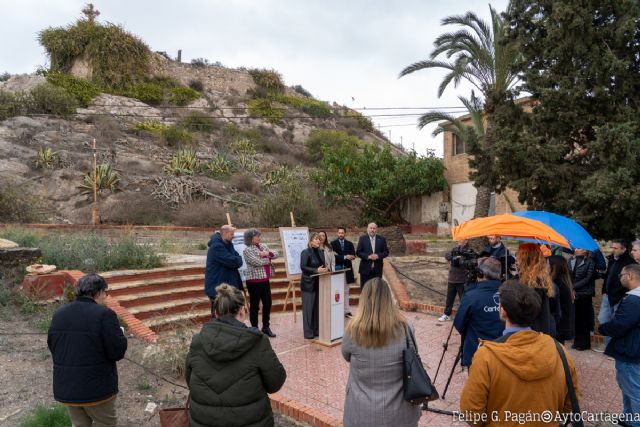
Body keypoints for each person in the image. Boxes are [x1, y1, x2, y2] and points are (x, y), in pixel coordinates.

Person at [460, 282, 579, 427]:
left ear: (503, 312)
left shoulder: (486, 356)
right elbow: (569, 405)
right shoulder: (559, 351)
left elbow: (471, 413)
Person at [186, 284, 286, 427]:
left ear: (216, 313)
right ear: (242, 311)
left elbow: (190, 381)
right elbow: (275, 383)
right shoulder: (257, 342)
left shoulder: (197, 341)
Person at [47, 274, 127, 427]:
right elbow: (117, 352)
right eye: (105, 292)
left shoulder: (59, 314)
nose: (105, 296)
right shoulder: (105, 314)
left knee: (79, 425)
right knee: (105, 423)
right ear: (97, 292)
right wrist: (121, 337)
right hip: (97, 389)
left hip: (68, 387)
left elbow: (53, 346)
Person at [342, 278, 421, 427]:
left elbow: (346, 355)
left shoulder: (352, 330)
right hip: (401, 414)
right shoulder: (405, 327)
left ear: (364, 299)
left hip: (361, 413)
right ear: (389, 299)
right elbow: (414, 354)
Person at [598, 264, 640, 427]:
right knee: (628, 387)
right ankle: (629, 419)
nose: (619, 278)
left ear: (630, 276)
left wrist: (602, 328)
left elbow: (619, 325)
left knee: (634, 389)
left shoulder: (633, 300)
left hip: (630, 350)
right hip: (632, 349)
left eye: (621, 275)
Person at [453, 258, 505, 368]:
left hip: (476, 353)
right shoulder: (510, 293)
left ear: (480, 273)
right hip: (504, 354)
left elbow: (459, 323)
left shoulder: (471, 296)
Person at [515, 243, 558, 336]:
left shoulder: (533, 283)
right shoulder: (540, 279)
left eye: (519, 257)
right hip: (542, 331)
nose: (516, 261)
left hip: (532, 333)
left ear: (526, 260)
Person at [243, 228, 278, 338]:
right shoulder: (247, 250)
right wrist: (268, 257)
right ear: (250, 238)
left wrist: (267, 253)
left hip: (265, 280)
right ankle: (255, 329)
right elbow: (257, 262)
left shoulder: (263, 246)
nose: (259, 237)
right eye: (256, 236)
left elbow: (276, 254)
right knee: (255, 306)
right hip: (254, 282)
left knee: (268, 303)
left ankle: (266, 328)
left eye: (259, 235)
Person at [599, 239, 635, 346]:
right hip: (607, 295)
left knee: (616, 322)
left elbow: (629, 282)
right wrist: (604, 290)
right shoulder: (612, 259)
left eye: (616, 248)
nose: (613, 250)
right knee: (603, 319)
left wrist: (621, 295)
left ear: (623, 249)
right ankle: (608, 345)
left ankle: (613, 345)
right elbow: (609, 275)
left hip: (619, 297)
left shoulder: (629, 263)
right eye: (612, 247)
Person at [204, 225, 243, 310]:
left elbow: (239, 259)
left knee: (230, 313)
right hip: (218, 287)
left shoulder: (228, 244)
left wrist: (237, 260)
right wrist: (237, 260)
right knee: (220, 314)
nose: (233, 236)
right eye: (232, 234)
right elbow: (233, 262)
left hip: (226, 285)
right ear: (225, 233)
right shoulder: (216, 247)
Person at [300, 232, 328, 339]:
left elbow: (322, 265)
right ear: (310, 241)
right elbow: (303, 267)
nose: (318, 241)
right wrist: (316, 270)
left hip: (319, 284)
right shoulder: (305, 252)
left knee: (317, 309)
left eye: (319, 239)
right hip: (308, 284)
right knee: (308, 309)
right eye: (316, 239)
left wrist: (325, 269)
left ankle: (316, 330)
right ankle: (308, 332)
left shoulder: (321, 252)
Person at [569, 248, 596, 350]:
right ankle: (576, 342)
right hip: (574, 292)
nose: (576, 249)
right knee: (576, 318)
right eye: (576, 248)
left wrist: (573, 287)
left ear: (585, 251)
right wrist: (570, 287)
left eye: (579, 248)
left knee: (584, 319)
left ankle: (584, 344)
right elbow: (568, 274)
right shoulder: (571, 260)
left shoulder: (590, 262)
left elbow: (587, 279)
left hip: (584, 294)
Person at [440, 239, 470, 322]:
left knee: (463, 299)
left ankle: (465, 317)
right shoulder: (455, 249)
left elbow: (462, 262)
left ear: (466, 241)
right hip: (452, 279)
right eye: (459, 240)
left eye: (461, 239)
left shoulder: (468, 251)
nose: (459, 241)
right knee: (449, 299)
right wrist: (453, 258)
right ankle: (446, 314)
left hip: (462, 280)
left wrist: (455, 259)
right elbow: (447, 255)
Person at [548, 255, 575, 344]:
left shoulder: (557, 284)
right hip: (562, 326)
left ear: (553, 267)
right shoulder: (564, 281)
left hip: (558, 327)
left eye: (547, 264)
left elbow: (554, 308)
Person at [331, 227, 357, 318]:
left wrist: (351, 256)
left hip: (348, 270)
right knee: (336, 291)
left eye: (342, 233)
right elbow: (333, 257)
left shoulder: (349, 244)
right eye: (339, 233)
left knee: (346, 291)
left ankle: (346, 311)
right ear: (337, 233)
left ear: (345, 233)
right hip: (337, 271)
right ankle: (337, 311)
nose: (341, 234)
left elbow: (354, 255)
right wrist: (345, 257)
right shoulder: (332, 244)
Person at [356, 222, 389, 287]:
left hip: (377, 270)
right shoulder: (362, 239)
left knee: (376, 290)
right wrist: (368, 256)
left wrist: (378, 256)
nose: (372, 230)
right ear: (367, 229)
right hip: (365, 270)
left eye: (374, 228)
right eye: (370, 228)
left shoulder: (382, 239)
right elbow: (358, 252)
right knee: (365, 290)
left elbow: (386, 252)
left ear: (376, 229)